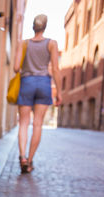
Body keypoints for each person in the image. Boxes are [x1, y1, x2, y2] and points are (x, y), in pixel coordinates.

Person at [13, 14, 62, 173]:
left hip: (27, 83)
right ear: (45, 27)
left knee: (23, 123)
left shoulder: (24, 43)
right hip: (43, 84)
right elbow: (55, 69)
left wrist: (26, 68)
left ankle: (22, 157)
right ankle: (30, 160)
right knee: (38, 124)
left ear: (33, 27)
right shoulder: (52, 44)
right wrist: (59, 92)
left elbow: (15, 68)